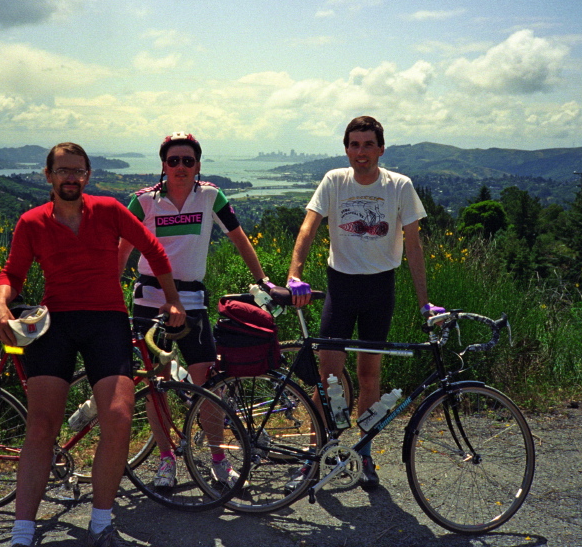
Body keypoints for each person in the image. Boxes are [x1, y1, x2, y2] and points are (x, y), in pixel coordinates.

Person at [0, 142, 185, 547]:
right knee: (41, 425)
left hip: (107, 321)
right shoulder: (32, 222)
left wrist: (173, 300)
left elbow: (154, 249)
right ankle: (22, 534)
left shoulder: (110, 210)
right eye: (62, 171)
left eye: (77, 171)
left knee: (118, 416)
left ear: (88, 175)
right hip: (56, 323)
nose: (71, 177)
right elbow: (13, 272)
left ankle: (100, 522)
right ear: (48, 176)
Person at [287, 116, 443, 490]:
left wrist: (426, 304)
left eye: (368, 144)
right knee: (328, 377)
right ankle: (316, 453)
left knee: (369, 376)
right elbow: (308, 228)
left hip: (379, 289)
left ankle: (364, 453)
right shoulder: (334, 181)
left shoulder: (399, 186)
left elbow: (415, 247)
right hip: (340, 288)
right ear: (346, 148)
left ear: (381, 149)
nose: (361, 152)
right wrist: (294, 274)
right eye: (354, 145)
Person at [118, 131, 269, 489]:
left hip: (192, 301)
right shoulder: (145, 202)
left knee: (208, 381)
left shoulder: (211, 196)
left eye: (188, 161)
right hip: (149, 300)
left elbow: (238, 237)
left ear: (198, 165)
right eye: (174, 161)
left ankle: (218, 459)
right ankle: (166, 460)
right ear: (163, 165)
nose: (181, 167)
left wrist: (262, 280)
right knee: (158, 383)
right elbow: (121, 252)